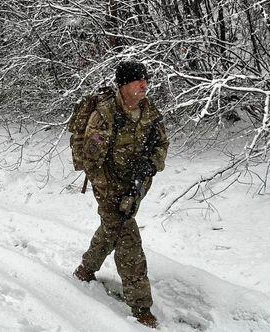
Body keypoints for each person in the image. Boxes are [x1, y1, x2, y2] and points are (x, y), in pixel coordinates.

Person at [73, 61, 169, 328]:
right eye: (137, 81)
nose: (143, 85)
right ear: (123, 85)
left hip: (136, 186)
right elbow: (92, 162)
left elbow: (162, 144)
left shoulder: (150, 111)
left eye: (145, 80)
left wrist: (151, 164)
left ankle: (85, 269)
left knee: (111, 229)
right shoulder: (105, 114)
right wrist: (113, 196)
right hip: (108, 187)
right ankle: (141, 308)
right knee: (128, 240)